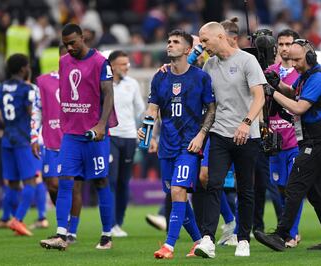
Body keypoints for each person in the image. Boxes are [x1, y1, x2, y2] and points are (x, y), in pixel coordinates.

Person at [254, 38, 321, 251]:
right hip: (313, 137)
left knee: (294, 184)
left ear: (311, 57)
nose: (293, 64)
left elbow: (299, 107)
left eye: (297, 59)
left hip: (317, 139)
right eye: (291, 60)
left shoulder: (318, 79)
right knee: (315, 193)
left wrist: (272, 92)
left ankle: (281, 234)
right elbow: (291, 93)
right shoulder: (306, 76)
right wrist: (275, 83)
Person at [138, 29, 216, 259]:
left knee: (178, 190)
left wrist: (201, 135)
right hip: (166, 146)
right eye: (168, 41)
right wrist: (147, 132)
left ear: (187, 49)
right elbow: (152, 110)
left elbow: (211, 109)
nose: (169, 45)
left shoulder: (200, 77)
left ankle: (169, 246)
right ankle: (199, 242)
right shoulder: (159, 77)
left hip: (189, 145)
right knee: (177, 196)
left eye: (175, 42)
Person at [39, 23, 117, 250]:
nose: (69, 48)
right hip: (72, 134)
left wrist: (102, 125)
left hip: (95, 134)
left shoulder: (101, 61)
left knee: (101, 181)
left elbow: (108, 93)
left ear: (83, 38)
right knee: (65, 182)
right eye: (65, 44)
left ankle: (106, 235)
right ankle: (61, 234)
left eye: (73, 42)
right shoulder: (64, 62)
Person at [194, 22, 265, 258]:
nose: (203, 46)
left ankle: (243, 239)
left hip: (247, 135)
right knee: (213, 184)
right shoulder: (208, 65)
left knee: (245, 188)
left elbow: (259, 97)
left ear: (221, 36)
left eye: (205, 41)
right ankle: (207, 240)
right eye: (201, 42)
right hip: (220, 133)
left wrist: (246, 123)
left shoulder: (247, 61)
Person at [30, 44, 83, 243]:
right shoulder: (44, 81)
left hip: (76, 139)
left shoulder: (84, 78)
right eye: (64, 55)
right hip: (51, 141)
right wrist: (34, 137)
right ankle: (65, 220)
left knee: (74, 187)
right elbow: (36, 110)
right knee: (52, 184)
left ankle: (71, 231)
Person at [266, 29, 303, 248]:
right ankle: (285, 228)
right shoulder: (268, 71)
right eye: (281, 44)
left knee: (293, 187)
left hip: (296, 140)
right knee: (278, 187)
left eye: (289, 43)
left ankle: (292, 233)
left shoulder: (302, 72)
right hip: (274, 140)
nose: (285, 48)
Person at [0, 53, 37, 236]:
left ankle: (10, 217)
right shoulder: (26, 90)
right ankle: (17, 220)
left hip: (7, 140)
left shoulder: (0, 89)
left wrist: (6, 126)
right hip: (22, 139)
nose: (29, 69)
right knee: (31, 182)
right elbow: (32, 114)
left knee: (11, 183)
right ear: (22, 69)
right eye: (27, 66)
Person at [108, 50, 145, 237]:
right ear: (112, 65)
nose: (126, 67)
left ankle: (118, 223)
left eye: (127, 63)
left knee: (123, 182)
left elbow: (141, 110)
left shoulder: (132, 84)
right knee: (111, 180)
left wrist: (148, 130)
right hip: (110, 136)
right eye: (123, 64)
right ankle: (110, 222)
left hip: (130, 137)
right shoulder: (104, 84)